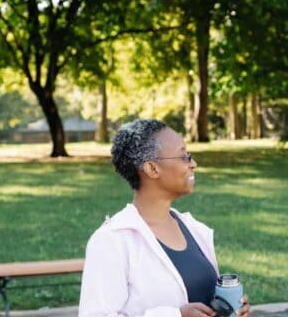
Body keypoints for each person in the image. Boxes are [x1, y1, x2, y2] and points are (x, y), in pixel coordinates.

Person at [79, 119, 250, 317]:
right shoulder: (111, 241)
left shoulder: (194, 229)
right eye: (184, 156)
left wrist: (229, 310)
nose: (193, 164)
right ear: (152, 169)